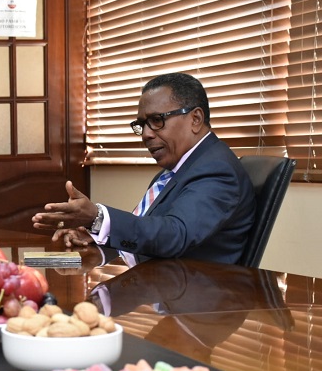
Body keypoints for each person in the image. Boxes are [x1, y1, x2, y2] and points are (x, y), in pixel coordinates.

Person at [32, 73, 255, 265]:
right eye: (142, 125)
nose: (147, 134)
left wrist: (98, 217)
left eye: (157, 120)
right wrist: (99, 232)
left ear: (195, 118)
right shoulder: (178, 169)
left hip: (196, 307)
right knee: (35, 263)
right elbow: (152, 229)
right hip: (162, 287)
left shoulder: (216, 169)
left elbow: (175, 234)